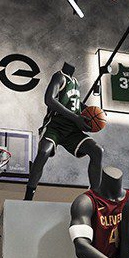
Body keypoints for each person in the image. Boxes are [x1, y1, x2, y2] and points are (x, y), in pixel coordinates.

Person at [25, 62, 105, 200]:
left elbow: (75, 105)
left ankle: (95, 197)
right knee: (43, 152)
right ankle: (28, 197)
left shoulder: (76, 82)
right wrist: (76, 118)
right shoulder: (59, 76)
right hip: (55, 127)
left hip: (72, 131)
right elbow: (49, 100)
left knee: (97, 151)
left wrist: (93, 115)